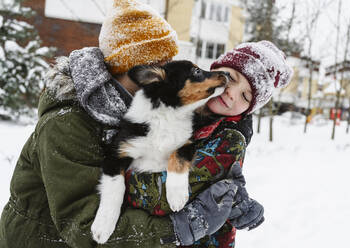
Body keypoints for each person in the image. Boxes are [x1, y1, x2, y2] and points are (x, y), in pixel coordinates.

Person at [0, 1, 268, 247]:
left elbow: (196, 147)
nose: (166, 71)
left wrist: (234, 194)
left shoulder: (137, 107)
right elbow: (84, 227)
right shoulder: (67, 124)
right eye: (161, 62)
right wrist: (176, 229)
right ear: (135, 66)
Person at [125, 41, 293, 247]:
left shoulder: (229, 140)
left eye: (245, 96)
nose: (232, 93)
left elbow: (156, 199)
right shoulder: (181, 106)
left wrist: (123, 170)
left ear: (247, 110)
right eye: (230, 77)